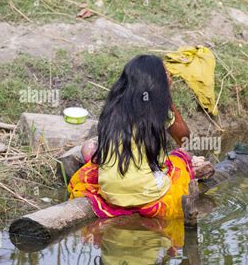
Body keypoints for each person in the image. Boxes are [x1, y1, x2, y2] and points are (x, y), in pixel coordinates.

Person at [69, 55, 200, 220]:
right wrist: (166, 96)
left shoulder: (113, 107)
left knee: (90, 147)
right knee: (182, 157)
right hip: (147, 194)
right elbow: (184, 139)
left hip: (111, 194)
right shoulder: (157, 110)